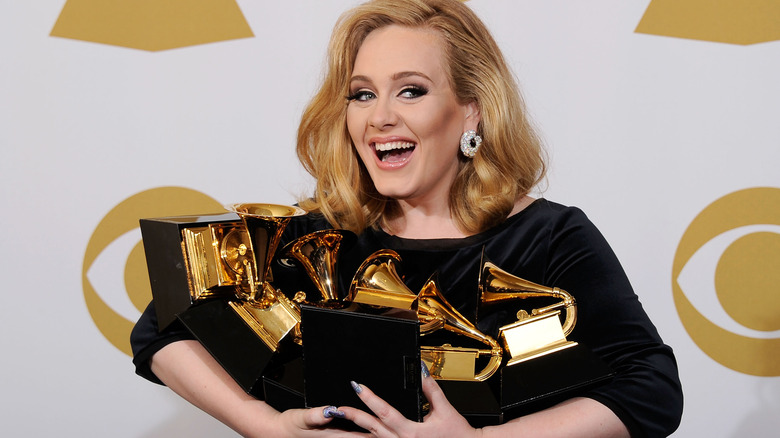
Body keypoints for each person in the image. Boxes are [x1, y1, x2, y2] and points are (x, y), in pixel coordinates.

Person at [130, 0, 683, 437]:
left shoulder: (550, 236)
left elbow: (650, 387)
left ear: (472, 108)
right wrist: (264, 426)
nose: (380, 117)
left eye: (411, 91)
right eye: (362, 94)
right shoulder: (315, 237)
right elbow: (162, 326)